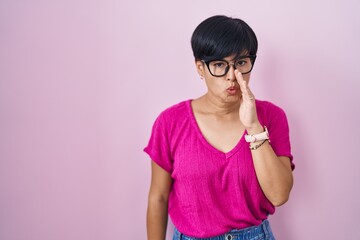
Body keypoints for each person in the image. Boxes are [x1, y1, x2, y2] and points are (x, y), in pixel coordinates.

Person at [144, 15, 294, 240]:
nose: (232, 76)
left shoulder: (271, 117)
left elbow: (279, 195)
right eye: (219, 65)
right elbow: (159, 198)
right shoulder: (170, 123)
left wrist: (253, 126)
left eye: (241, 63)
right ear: (200, 68)